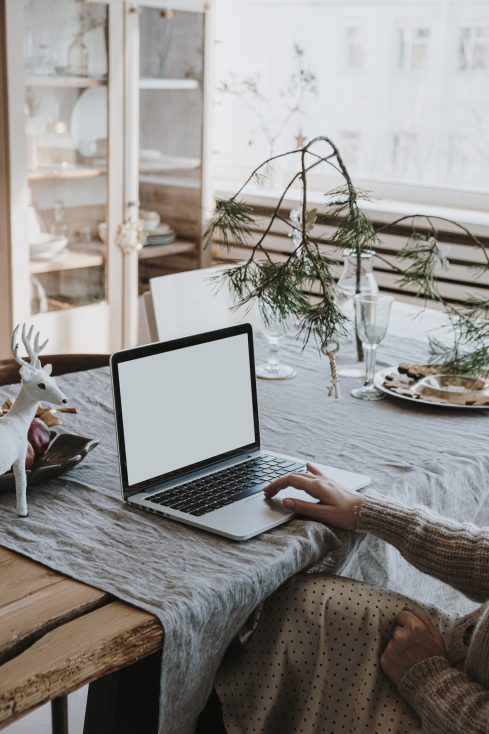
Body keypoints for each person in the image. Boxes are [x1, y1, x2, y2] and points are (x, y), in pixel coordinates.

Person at [215, 464, 489, 734]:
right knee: (301, 606)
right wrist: (368, 512)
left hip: (448, 707)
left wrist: (428, 679)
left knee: (292, 619)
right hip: (465, 657)